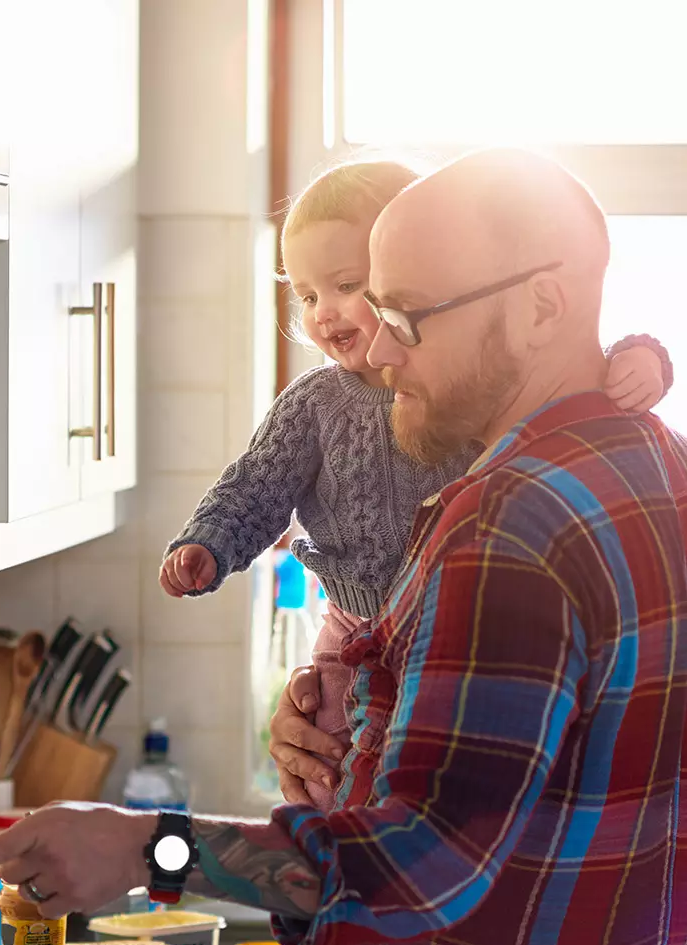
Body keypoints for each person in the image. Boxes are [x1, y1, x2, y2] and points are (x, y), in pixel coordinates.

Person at [0, 148, 687, 945]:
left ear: (543, 306)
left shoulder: (507, 525)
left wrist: (145, 847)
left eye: (408, 317)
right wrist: (361, 709)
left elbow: (419, 861)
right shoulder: (653, 469)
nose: (379, 356)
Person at [158, 159, 670, 811]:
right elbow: (254, 487)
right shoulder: (319, 404)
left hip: (422, 640)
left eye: (388, 305)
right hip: (354, 625)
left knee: (351, 804)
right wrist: (210, 543)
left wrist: (638, 359)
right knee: (329, 783)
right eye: (307, 296)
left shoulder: (511, 508)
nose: (332, 320)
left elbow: (411, 856)